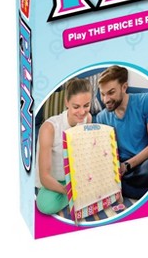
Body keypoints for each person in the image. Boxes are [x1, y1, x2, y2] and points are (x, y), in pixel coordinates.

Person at [95, 65, 148, 199]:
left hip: (146, 161)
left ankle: (133, 187)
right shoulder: (101, 118)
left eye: (111, 92)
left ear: (124, 87)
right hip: (125, 170)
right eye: (102, 94)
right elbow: (105, 154)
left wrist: (127, 165)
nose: (106, 100)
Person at [36, 78, 93, 215]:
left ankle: (81, 193)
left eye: (86, 105)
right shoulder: (49, 128)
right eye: (76, 107)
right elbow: (44, 176)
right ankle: (77, 196)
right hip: (55, 181)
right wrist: (69, 192)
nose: (82, 112)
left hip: (75, 175)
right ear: (67, 102)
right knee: (45, 205)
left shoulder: (88, 119)